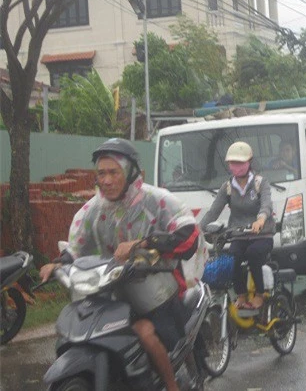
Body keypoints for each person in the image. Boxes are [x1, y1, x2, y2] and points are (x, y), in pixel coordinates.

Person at [39, 138, 201, 391]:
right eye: (101, 173)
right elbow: (77, 247)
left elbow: (189, 237)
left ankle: (172, 386)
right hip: (110, 294)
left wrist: (143, 243)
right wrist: (58, 264)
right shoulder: (92, 209)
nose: (106, 180)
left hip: (155, 292)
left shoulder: (157, 200)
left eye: (113, 172)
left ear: (130, 171)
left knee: (146, 334)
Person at [201, 141, 275, 310]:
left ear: (249, 162)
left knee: (253, 254)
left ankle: (259, 294)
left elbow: (266, 204)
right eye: (233, 163)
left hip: (262, 235)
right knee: (232, 257)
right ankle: (241, 295)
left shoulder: (260, 183)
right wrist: (196, 229)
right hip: (239, 235)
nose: (237, 166)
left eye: (240, 163)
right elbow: (213, 212)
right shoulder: (227, 187)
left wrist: (261, 219)